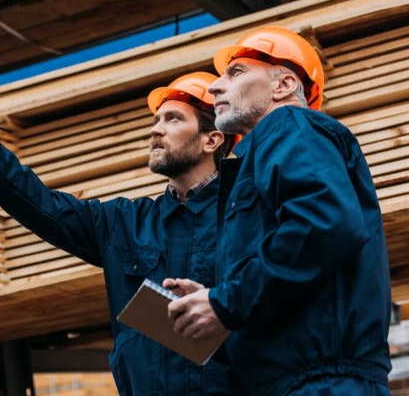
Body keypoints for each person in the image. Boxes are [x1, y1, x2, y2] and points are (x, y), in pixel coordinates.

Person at [0, 72, 246, 395]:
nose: (156, 129)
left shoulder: (247, 216)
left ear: (211, 140)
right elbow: (38, 204)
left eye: (173, 119)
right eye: (156, 119)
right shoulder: (122, 222)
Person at [164, 26, 393, 395]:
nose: (214, 87)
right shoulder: (259, 163)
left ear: (283, 85)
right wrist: (214, 297)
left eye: (235, 72)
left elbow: (324, 225)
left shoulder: (289, 125)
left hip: (321, 383)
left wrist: (225, 301)